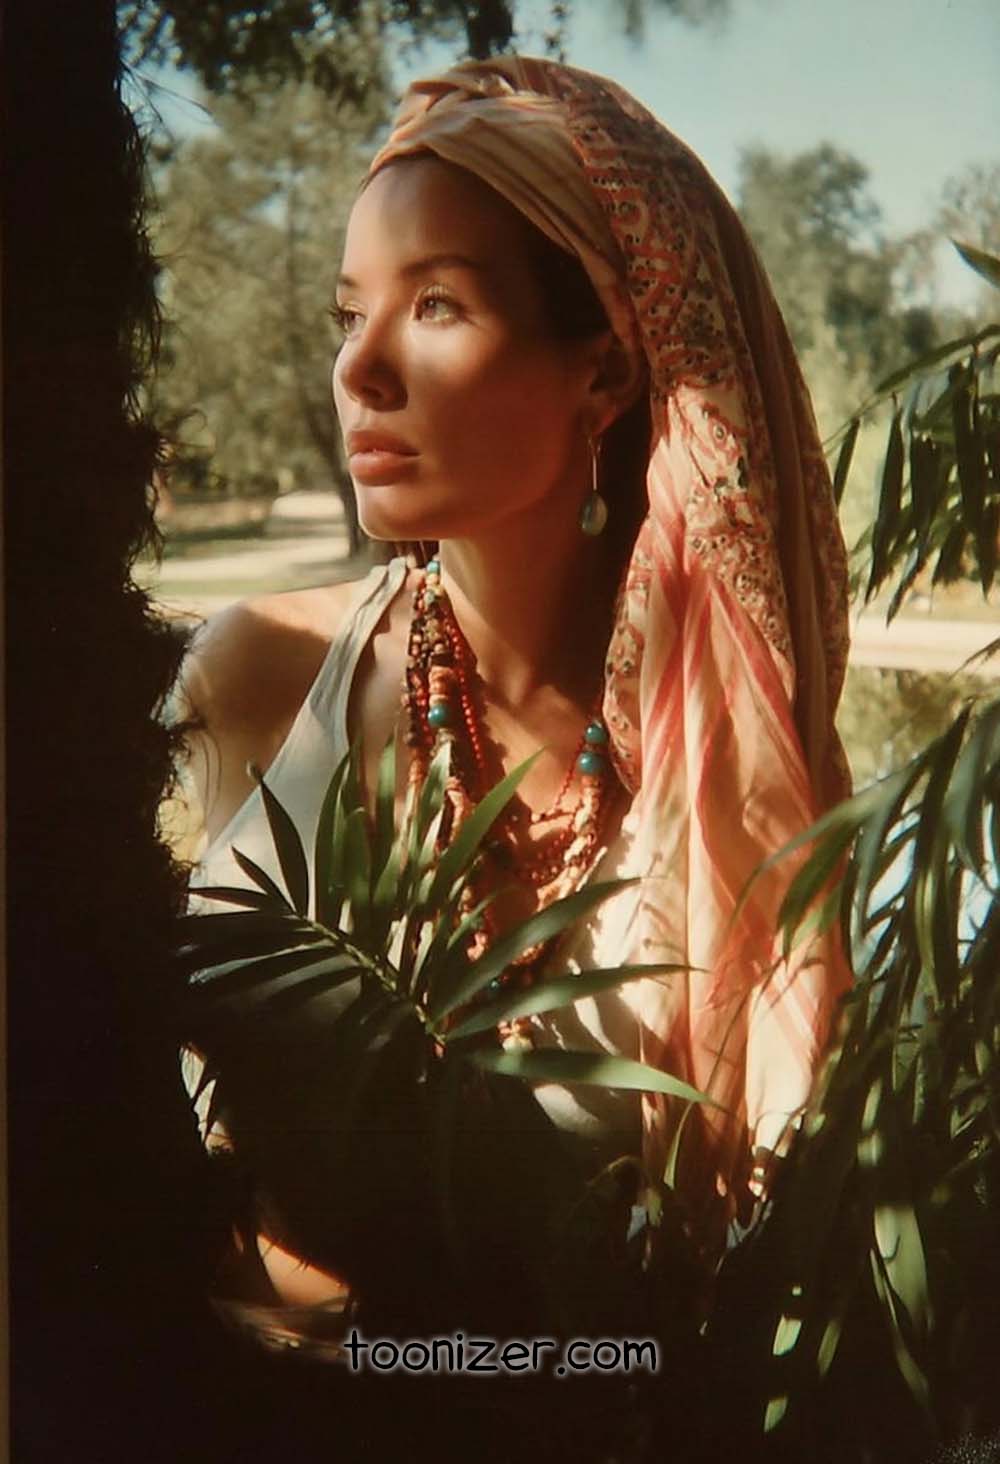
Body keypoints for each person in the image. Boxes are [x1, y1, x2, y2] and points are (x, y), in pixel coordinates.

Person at [177, 54, 850, 1360]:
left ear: (604, 373)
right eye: (346, 313)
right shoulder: (259, 677)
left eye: (436, 304)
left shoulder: (725, 769)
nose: (360, 369)